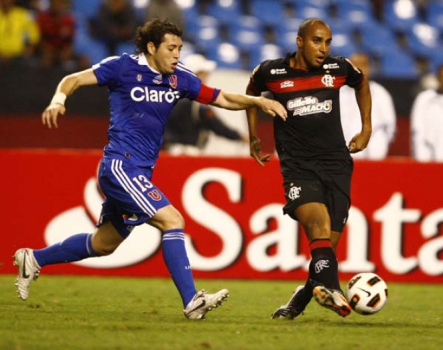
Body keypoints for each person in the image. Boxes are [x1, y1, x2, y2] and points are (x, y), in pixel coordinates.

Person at [13, 18, 287, 320]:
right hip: (120, 164)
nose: (177, 54)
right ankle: (192, 301)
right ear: (152, 47)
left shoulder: (179, 78)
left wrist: (257, 102)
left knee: (105, 244)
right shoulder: (122, 67)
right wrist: (58, 100)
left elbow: (222, 98)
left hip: (141, 170)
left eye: (180, 48)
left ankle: (33, 258)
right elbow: (74, 79)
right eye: (171, 48)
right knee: (173, 221)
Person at [245, 18, 372, 319]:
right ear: (300, 41)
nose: (324, 49)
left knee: (325, 251)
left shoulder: (338, 68)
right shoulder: (271, 72)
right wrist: (253, 135)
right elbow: (251, 93)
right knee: (318, 226)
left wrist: (366, 129)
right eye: (317, 41)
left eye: (328, 42)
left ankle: (299, 301)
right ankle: (334, 290)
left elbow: (362, 83)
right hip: (298, 167)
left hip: (337, 164)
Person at [165, 54, 249, 155]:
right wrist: (240, 137)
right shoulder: (195, 101)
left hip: (169, 152)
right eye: (205, 74)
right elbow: (218, 126)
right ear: (198, 74)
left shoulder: (168, 96)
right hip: (189, 153)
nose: (207, 77)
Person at [340, 52, 396, 159]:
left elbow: (390, 128)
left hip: (374, 158)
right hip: (342, 158)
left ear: (369, 68)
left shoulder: (381, 93)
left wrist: (379, 148)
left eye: (363, 65)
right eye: (354, 65)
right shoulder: (337, 93)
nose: (358, 69)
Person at [411, 63, 443, 161]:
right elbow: (417, 129)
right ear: (437, 78)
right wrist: (421, 157)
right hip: (428, 153)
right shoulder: (424, 98)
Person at [0, 0, 40, 64]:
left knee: (32, 63)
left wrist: (30, 49)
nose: (6, 1)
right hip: (1, 56)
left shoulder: (23, 14)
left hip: (19, 56)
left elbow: (34, 35)